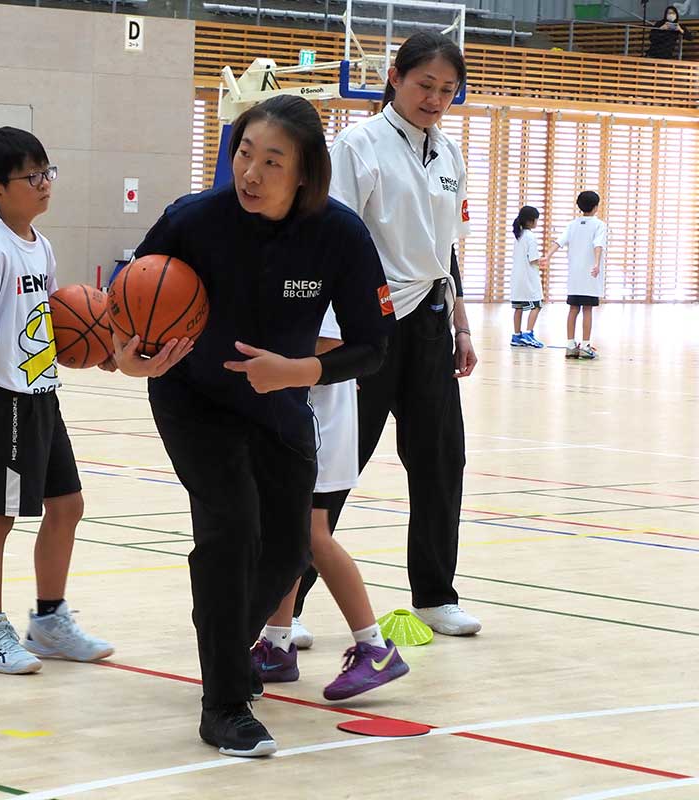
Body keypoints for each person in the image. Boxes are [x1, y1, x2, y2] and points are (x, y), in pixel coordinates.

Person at [115, 95, 394, 757]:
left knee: (291, 551)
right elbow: (130, 302)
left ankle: (222, 639)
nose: (252, 172)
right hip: (195, 398)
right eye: (245, 153)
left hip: (280, 404)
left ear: (304, 172)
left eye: (272, 161)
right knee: (232, 529)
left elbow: (373, 345)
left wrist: (297, 373)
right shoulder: (191, 220)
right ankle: (225, 707)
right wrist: (128, 357)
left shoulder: (341, 235)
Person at [292, 32, 482, 638]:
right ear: (395, 77)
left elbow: (443, 250)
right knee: (335, 467)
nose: (435, 98)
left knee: (440, 460)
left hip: (428, 321)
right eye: (425, 84)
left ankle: (434, 594)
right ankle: (284, 605)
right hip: (366, 326)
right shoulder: (357, 145)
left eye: (447, 90)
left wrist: (460, 324)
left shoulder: (449, 156)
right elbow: (334, 238)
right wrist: (328, 333)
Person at [0, 127, 114, 676]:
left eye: (46, 172)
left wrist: (99, 349)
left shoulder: (41, 244)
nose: (43, 184)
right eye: (30, 176)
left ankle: (50, 622)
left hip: (40, 394)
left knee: (68, 505)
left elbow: (53, 325)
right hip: (1, 400)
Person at [250, 307, 409, 702]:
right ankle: (277, 646)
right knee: (288, 532)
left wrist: (263, 362)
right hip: (300, 417)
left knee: (311, 535)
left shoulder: (315, 266)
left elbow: (329, 343)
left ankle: (374, 649)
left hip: (320, 424)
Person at [542, 191, 606, 360]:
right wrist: (597, 264)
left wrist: (547, 256)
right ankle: (585, 346)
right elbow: (598, 244)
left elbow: (559, 241)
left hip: (574, 276)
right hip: (590, 276)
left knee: (573, 309)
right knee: (587, 310)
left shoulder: (572, 224)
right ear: (595, 207)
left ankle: (570, 345)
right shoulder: (599, 225)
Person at [510, 205, 545, 348]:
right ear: (531, 221)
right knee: (536, 305)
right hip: (528, 279)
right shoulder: (530, 237)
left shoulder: (519, 236)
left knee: (518, 308)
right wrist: (542, 262)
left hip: (517, 278)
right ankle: (529, 334)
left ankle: (517, 336)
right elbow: (533, 259)